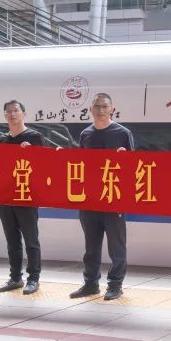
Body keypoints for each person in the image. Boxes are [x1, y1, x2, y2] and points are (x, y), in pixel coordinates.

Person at [71, 93, 134, 301]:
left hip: (113, 198)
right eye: (97, 106)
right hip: (89, 199)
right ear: (90, 109)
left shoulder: (123, 133)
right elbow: (79, 164)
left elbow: (135, 167)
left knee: (116, 245)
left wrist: (126, 158)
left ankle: (115, 285)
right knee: (91, 246)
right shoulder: (85, 134)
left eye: (105, 106)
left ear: (112, 109)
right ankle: (91, 284)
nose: (101, 110)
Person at [0, 100, 43, 295]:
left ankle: (33, 278)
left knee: (31, 240)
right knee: (12, 240)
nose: (12, 114)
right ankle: (15, 278)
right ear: (5, 116)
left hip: (27, 196)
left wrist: (32, 153)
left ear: (24, 114)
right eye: (8, 111)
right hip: (6, 196)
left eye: (16, 110)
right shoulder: (3, 140)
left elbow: (45, 165)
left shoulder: (34, 137)